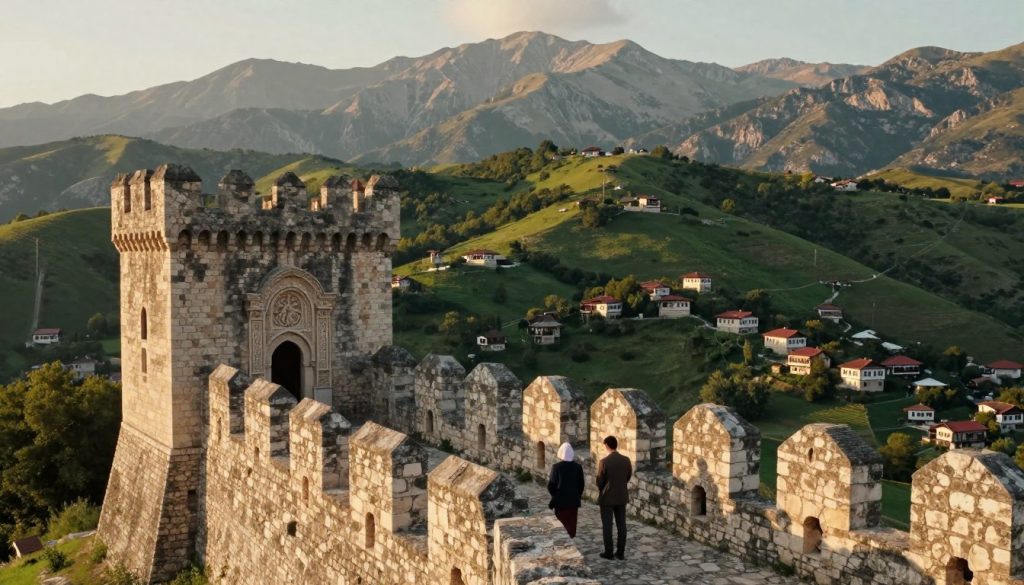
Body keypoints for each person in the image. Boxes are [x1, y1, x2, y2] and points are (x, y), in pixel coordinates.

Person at [596, 435, 632, 560]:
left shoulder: (604, 462)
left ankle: (609, 552)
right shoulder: (626, 460)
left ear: (606, 445)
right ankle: (620, 552)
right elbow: (628, 477)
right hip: (621, 496)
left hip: (607, 498)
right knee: (621, 525)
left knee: (607, 526)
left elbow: (600, 482)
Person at [547, 442, 585, 537]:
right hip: (573, 501)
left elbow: (551, 486)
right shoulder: (578, 467)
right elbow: (581, 485)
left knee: (561, 524)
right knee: (571, 524)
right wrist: (577, 495)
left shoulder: (556, 467)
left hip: (560, 502)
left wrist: (555, 496)